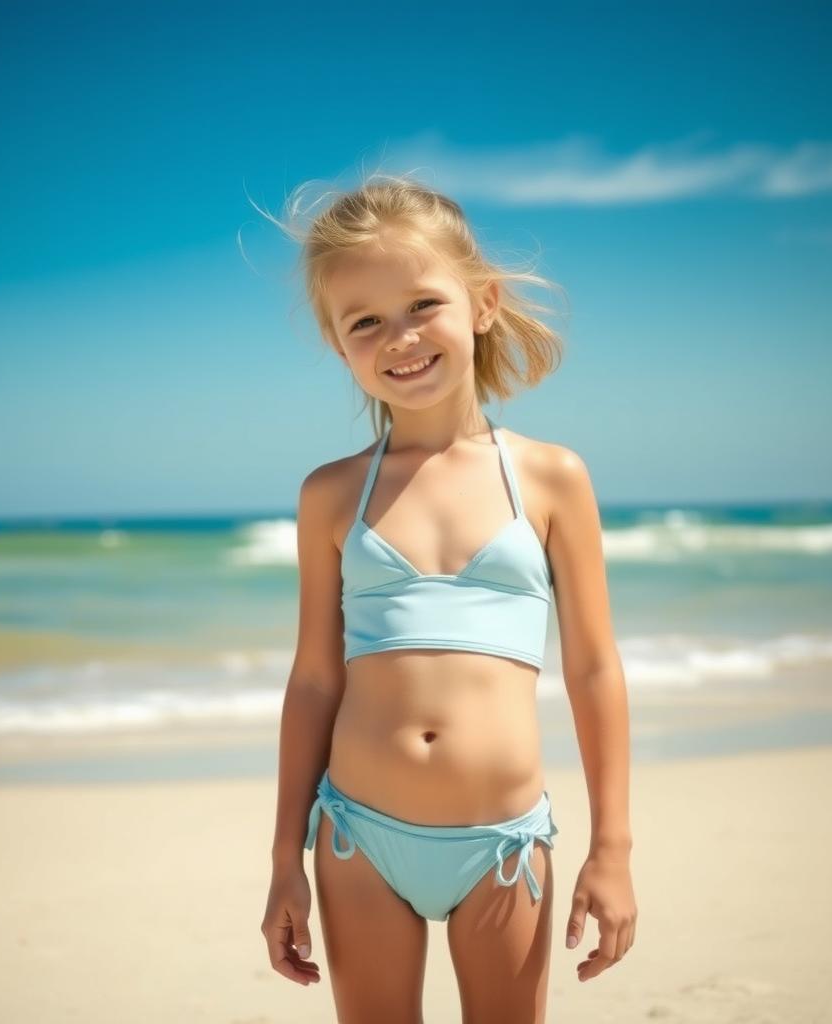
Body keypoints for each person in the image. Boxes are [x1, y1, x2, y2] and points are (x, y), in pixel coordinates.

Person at [258, 172, 637, 1022]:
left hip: (502, 847)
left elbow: (593, 668)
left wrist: (611, 846)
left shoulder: (549, 477)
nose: (400, 337)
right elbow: (315, 681)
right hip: (359, 836)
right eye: (365, 322)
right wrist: (286, 856)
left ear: (484, 303)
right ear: (337, 343)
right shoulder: (331, 494)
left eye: (423, 304)